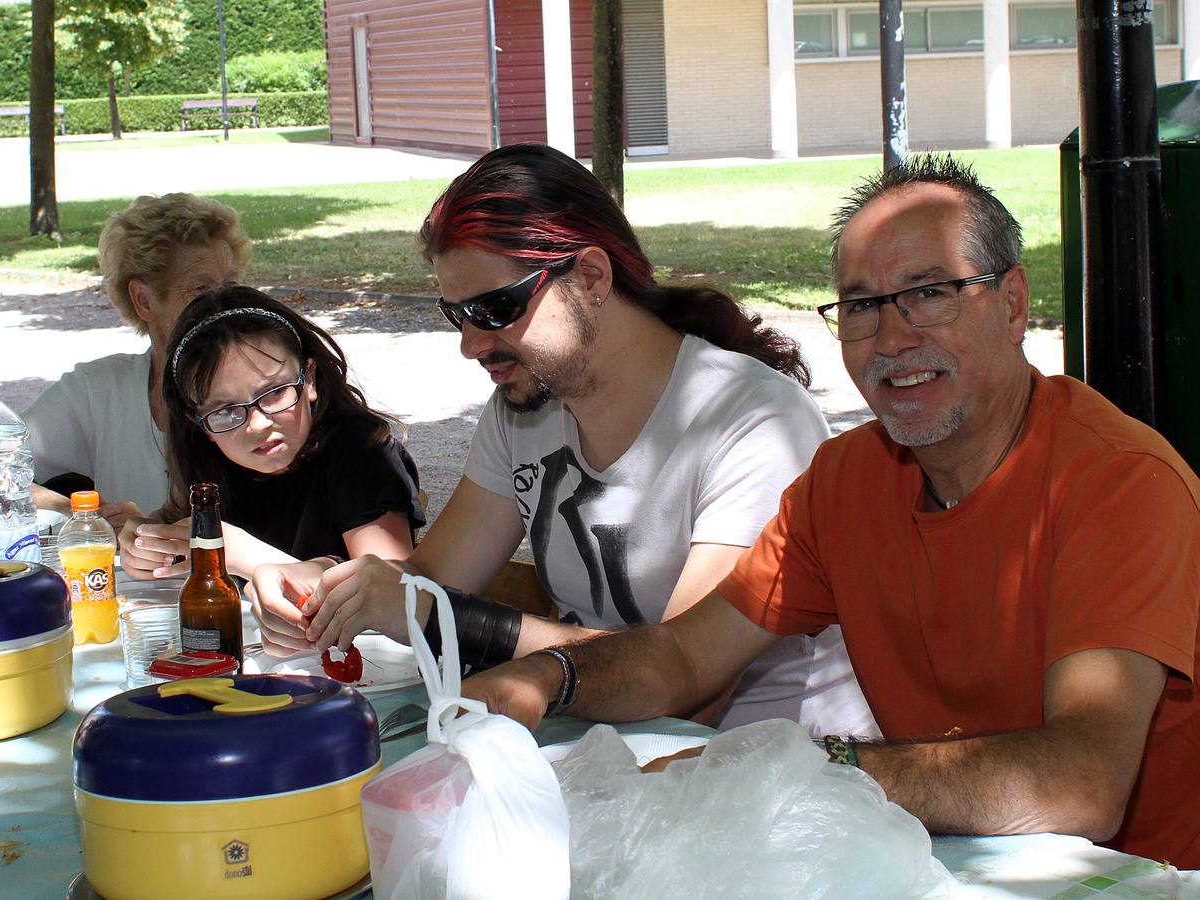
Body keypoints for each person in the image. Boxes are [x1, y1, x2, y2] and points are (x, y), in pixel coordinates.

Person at [460, 154, 1200, 868]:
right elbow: (684, 655)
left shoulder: (1117, 482)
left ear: (1012, 303)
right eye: (861, 306)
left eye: (931, 292)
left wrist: (815, 767)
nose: (894, 336)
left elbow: (1083, 783)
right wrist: (551, 676)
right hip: (938, 859)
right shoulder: (846, 480)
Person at [252, 142, 875, 735]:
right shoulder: (522, 408)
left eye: (494, 310)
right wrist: (337, 587)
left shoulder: (751, 423)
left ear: (592, 278)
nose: (472, 345)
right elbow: (432, 579)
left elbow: (687, 675)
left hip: (761, 767)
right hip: (603, 743)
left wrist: (434, 612)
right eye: (457, 316)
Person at [117, 284, 425, 582]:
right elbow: (175, 520)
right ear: (198, 423)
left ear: (310, 381)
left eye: (275, 392)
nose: (258, 424)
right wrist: (146, 541)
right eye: (225, 410)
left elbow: (396, 596)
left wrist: (240, 554)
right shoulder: (209, 460)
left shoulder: (361, 453)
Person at [25, 193, 249, 527]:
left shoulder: (268, 391)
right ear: (143, 300)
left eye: (230, 285)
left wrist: (152, 531)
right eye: (201, 290)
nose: (225, 304)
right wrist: (83, 513)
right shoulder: (99, 389)